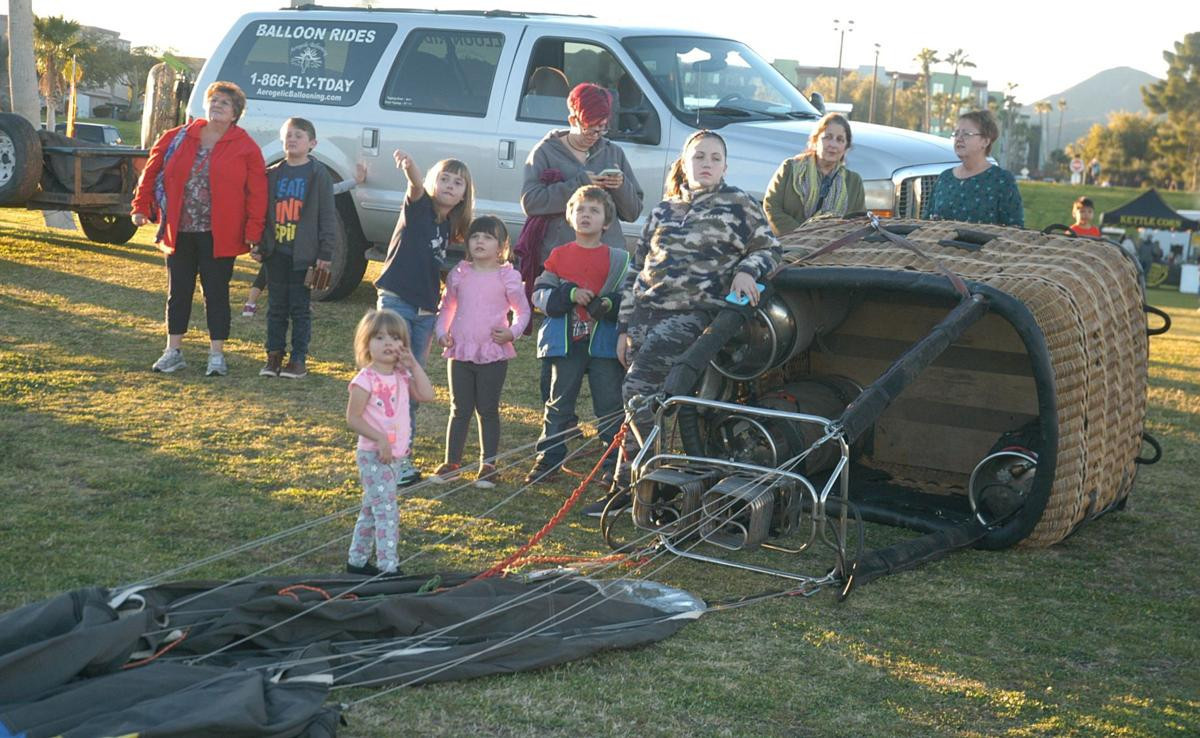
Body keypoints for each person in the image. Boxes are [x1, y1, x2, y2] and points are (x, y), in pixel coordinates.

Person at [585, 130, 780, 516]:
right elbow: (637, 269)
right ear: (685, 164)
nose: (706, 164)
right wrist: (623, 326)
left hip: (693, 314)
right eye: (699, 157)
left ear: (725, 165)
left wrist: (746, 272)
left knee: (637, 392)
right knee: (640, 404)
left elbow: (770, 247)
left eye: (714, 158)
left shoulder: (738, 203)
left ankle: (648, 487)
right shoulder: (663, 210)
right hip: (645, 312)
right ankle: (631, 487)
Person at [517, 82, 644, 427]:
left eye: (603, 126)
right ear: (572, 117)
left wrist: (621, 189)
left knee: (605, 350)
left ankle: (608, 426)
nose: (596, 134)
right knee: (559, 354)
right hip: (564, 265)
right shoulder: (545, 151)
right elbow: (531, 202)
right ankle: (560, 423)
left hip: (607, 267)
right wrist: (577, 183)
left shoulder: (612, 152)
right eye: (590, 126)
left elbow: (633, 210)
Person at [131, 81, 267, 376]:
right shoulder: (178, 136)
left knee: (216, 294)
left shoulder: (246, 147)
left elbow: (257, 193)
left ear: (235, 114)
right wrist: (141, 207)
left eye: (225, 103)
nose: (217, 105)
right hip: (178, 231)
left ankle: (216, 355)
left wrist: (254, 233)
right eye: (214, 100)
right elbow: (150, 172)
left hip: (221, 236)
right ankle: (173, 351)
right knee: (178, 292)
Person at [374, 151, 474, 484]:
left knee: (411, 385)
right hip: (397, 303)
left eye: (457, 182)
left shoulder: (448, 226)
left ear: (464, 194)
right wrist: (409, 166)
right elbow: (415, 184)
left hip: (425, 314)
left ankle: (402, 455)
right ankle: (387, 455)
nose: (449, 185)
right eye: (444, 178)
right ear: (432, 182)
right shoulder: (418, 208)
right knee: (391, 381)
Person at [525, 186, 630, 486]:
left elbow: (629, 297)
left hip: (605, 346)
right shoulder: (558, 257)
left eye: (594, 211)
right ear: (570, 217)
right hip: (566, 344)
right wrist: (568, 293)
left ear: (606, 223)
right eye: (580, 210)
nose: (586, 215)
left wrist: (609, 304)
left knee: (610, 407)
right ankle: (548, 460)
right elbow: (539, 295)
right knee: (558, 404)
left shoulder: (619, 259)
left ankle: (614, 465)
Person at [431, 216, 531, 488]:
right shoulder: (459, 274)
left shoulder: (507, 276)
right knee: (459, 408)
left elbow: (523, 312)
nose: (479, 241)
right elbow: (447, 308)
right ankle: (452, 462)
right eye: (475, 236)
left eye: (487, 237)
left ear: (501, 246)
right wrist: (442, 333)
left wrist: (512, 332)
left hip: (492, 354)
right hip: (460, 352)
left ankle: (488, 465)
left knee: (487, 409)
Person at [345, 308, 435, 576]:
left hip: (394, 456)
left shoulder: (401, 376)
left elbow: (427, 395)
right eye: (380, 338)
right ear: (366, 344)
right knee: (386, 512)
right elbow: (353, 418)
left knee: (372, 509)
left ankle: (357, 561)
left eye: (395, 338)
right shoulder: (365, 380)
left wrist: (414, 365)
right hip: (374, 455)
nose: (388, 344)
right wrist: (380, 438)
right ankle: (388, 568)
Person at [251, 117, 337, 379]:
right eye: (288, 135)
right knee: (276, 308)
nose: (292, 139)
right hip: (276, 252)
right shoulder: (273, 173)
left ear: (312, 143)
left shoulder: (317, 173)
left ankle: (298, 360)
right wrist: (258, 243)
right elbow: (261, 213)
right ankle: (273, 356)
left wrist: (325, 252)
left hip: (305, 255)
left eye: (298, 135)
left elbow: (327, 214)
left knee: (299, 309)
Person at [243, 161, 366, 318]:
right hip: (281, 241)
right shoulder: (276, 186)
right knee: (267, 272)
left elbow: (334, 189)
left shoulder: (311, 189)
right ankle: (252, 303)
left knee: (303, 272)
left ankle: (295, 303)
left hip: (300, 241)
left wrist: (356, 181)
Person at [763, 113, 865, 236]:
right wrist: (801, 236)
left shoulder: (854, 181)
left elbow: (857, 222)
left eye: (840, 139)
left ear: (845, 147)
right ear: (815, 140)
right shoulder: (789, 168)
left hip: (831, 249)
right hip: (788, 246)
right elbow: (771, 207)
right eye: (827, 137)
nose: (833, 144)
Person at [927, 110, 1024, 227]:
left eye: (966, 134)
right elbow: (926, 221)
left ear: (985, 141)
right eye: (956, 133)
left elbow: (1015, 229)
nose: (959, 138)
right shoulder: (945, 177)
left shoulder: (1002, 180)